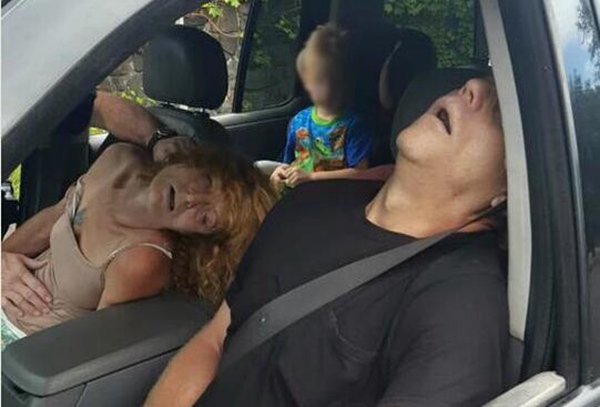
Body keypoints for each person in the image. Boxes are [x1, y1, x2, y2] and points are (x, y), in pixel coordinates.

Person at [144, 75, 509, 407]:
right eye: (476, 82)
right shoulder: (309, 201)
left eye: (499, 112)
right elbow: (217, 339)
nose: (473, 86)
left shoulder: (463, 306)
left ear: (509, 189)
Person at [1, 93, 277, 349]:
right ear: (193, 162)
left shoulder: (142, 259)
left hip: (24, 348)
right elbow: (56, 216)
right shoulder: (119, 159)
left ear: (199, 236)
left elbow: (93, 351)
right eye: (205, 181)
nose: (192, 199)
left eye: (206, 217)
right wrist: (3, 258)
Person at [266, 24, 373, 190]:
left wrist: (311, 177)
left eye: (325, 79)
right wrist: (278, 173)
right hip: (295, 195)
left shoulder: (354, 125)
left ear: (344, 81)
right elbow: (287, 163)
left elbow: (360, 173)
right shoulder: (298, 121)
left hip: (330, 197)